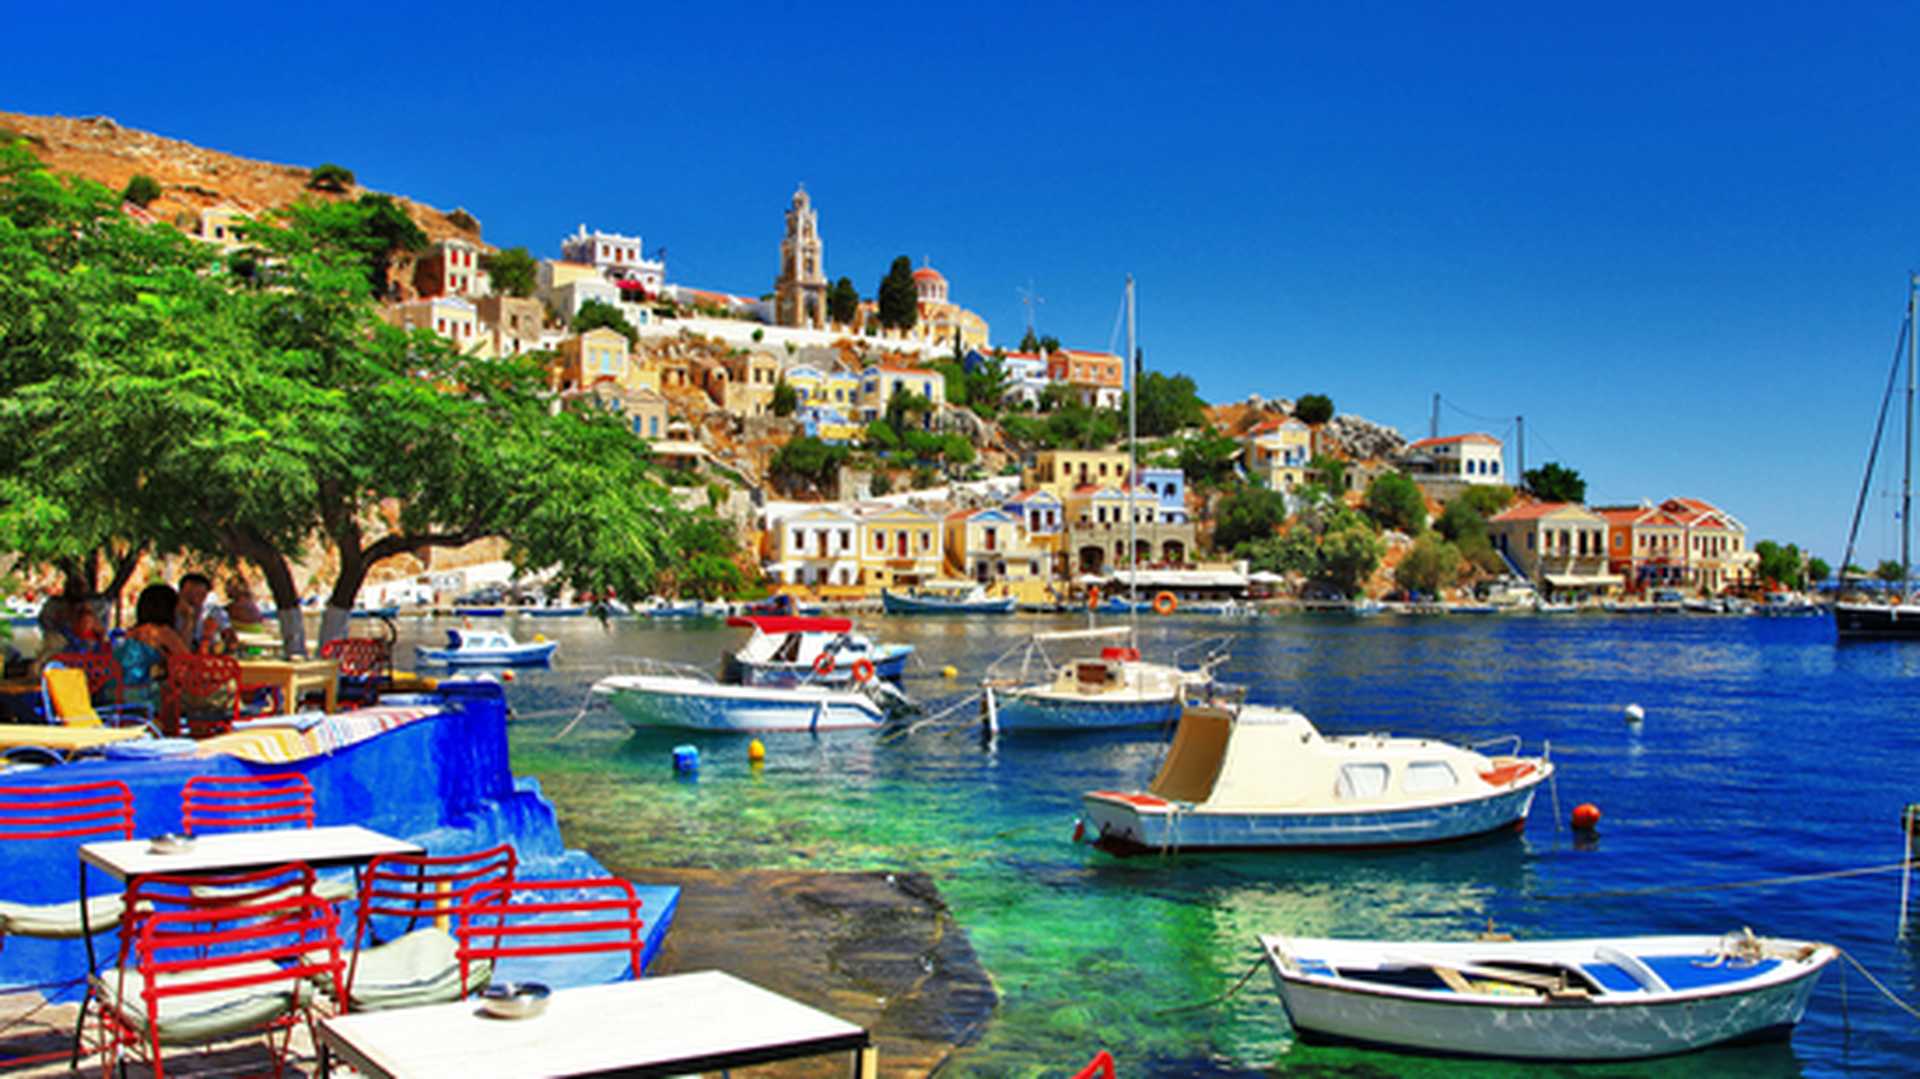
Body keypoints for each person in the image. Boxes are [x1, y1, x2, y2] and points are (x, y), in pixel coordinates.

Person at [177, 572, 236, 654]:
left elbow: (231, 639)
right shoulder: (169, 613)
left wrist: (222, 646)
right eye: (189, 594)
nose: (195, 599)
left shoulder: (214, 612)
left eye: (199, 594)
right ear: (180, 593)